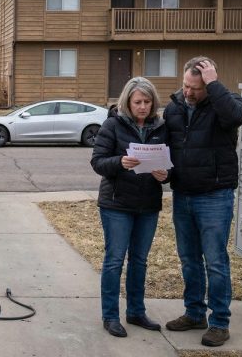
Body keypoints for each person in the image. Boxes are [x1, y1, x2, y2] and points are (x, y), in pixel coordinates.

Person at [163, 56, 242, 347]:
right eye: (185, 85)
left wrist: (213, 85)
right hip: (183, 194)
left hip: (215, 195)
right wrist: (164, 173)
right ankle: (194, 312)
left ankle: (219, 322)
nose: (188, 93)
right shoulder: (174, 107)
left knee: (215, 261)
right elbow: (168, 149)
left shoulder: (225, 103)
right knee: (189, 260)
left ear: (209, 84)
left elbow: (237, 117)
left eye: (195, 88)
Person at [91, 77, 168, 338]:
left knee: (139, 261)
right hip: (116, 203)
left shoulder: (161, 127)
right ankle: (110, 316)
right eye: (138, 102)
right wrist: (119, 162)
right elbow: (98, 162)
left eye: (147, 102)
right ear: (127, 101)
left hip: (147, 205)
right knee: (114, 261)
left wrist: (165, 175)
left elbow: (170, 165)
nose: (143, 107)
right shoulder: (112, 124)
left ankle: (136, 311)